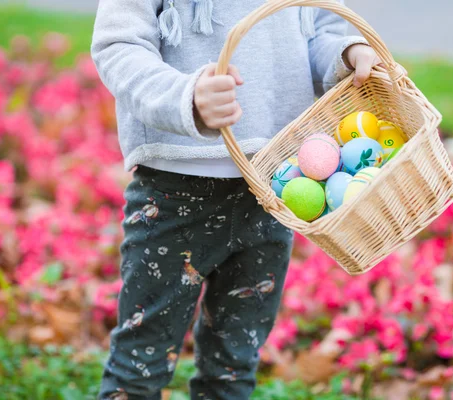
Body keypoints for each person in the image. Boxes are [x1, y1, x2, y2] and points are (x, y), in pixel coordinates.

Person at [91, 0, 380, 399]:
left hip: (272, 186)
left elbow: (320, 28)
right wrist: (186, 96)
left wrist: (348, 53)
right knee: (139, 365)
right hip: (175, 191)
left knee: (232, 370)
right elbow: (118, 44)